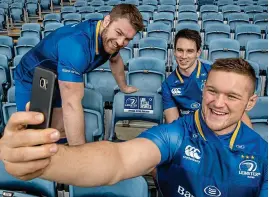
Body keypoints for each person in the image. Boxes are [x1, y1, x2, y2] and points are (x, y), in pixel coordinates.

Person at [1, 58, 267, 196]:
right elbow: (117, 159)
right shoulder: (177, 133)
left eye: (231, 96)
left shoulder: (262, 154)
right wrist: (43, 160)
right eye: (212, 91)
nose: (217, 103)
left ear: (250, 102)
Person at [14, 4, 143, 145]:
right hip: (32, 78)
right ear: (107, 21)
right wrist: (81, 157)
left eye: (127, 39)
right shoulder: (77, 47)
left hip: (57, 77)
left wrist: (123, 87)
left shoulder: (108, 37)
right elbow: (71, 105)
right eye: (118, 33)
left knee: (61, 130)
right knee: (34, 132)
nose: (120, 42)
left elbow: (115, 59)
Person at [162, 29, 253, 127]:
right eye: (180, 50)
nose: (184, 56)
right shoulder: (168, 84)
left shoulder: (214, 73)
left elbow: (236, 108)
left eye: (190, 51)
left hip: (219, 126)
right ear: (174, 52)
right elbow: (174, 123)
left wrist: (251, 138)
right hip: (189, 131)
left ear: (198, 52)